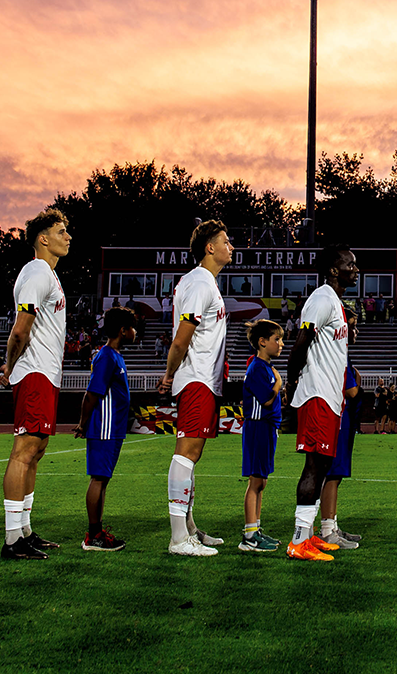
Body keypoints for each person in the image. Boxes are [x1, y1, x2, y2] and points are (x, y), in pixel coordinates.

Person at [158, 220, 235, 556]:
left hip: (204, 379)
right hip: (196, 378)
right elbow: (181, 338)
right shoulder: (200, 283)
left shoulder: (203, 283)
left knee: (193, 454)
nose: (231, 247)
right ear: (210, 248)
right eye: (226, 241)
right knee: (186, 453)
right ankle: (178, 538)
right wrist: (169, 373)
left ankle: (189, 528)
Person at [2, 209, 74, 561]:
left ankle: (25, 530)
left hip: (45, 372)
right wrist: (10, 365)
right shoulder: (35, 271)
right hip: (34, 372)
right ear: (43, 238)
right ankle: (12, 537)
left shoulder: (49, 275)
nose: (68, 236)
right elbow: (21, 328)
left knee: (37, 451)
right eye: (62, 231)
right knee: (25, 450)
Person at [285, 246, 359, 560]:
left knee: (324, 465)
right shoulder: (321, 298)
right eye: (349, 264)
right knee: (314, 466)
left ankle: (310, 534)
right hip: (316, 394)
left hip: (330, 396)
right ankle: (299, 540)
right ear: (332, 269)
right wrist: (292, 382)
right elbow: (300, 342)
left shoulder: (336, 303)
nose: (355, 269)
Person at [75, 307, 137, 552]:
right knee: (99, 479)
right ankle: (93, 536)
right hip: (105, 428)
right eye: (132, 327)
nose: (135, 331)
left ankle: (98, 532)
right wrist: (83, 423)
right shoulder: (107, 356)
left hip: (112, 428)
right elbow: (92, 393)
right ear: (123, 331)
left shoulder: (114, 355)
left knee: (103, 480)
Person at [238, 319, 286, 554]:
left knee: (261, 481)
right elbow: (266, 399)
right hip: (257, 427)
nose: (281, 344)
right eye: (277, 339)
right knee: (255, 481)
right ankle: (249, 535)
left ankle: (255, 529)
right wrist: (278, 384)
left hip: (266, 428)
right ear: (262, 342)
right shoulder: (257, 367)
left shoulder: (265, 367)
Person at [319, 362, 364, 549]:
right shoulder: (339, 355)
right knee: (333, 475)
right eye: (353, 329)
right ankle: (327, 530)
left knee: (333, 475)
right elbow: (352, 391)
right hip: (338, 416)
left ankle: (331, 526)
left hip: (336, 415)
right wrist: (357, 383)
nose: (356, 331)